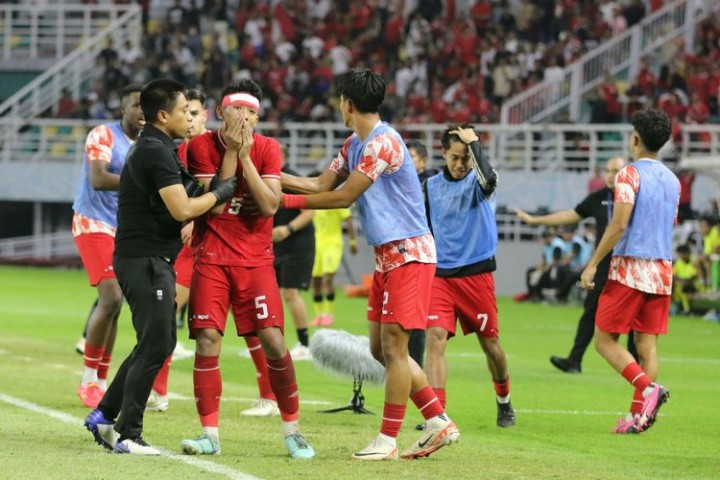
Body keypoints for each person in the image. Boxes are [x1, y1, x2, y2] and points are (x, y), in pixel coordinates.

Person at [281, 68, 459, 461]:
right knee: (381, 350)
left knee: (394, 348)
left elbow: (343, 197)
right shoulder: (354, 143)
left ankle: (388, 439)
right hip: (386, 257)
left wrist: (282, 201)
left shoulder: (383, 143)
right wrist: (268, 178)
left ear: (347, 103)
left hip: (409, 253)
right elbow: (318, 185)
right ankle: (437, 421)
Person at [83, 78, 238, 454]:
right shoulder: (154, 151)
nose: (191, 117)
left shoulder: (158, 148)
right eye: (185, 110)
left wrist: (229, 156)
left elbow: (198, 196)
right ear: (164, 115)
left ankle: (104, 415)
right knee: (158, 343)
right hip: (145, 259)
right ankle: (128, 434)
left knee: (156, 341)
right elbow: (185, 209)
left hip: (148, 258)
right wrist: (222, 190)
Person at [180, 79, 315, 459]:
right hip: (212, 260)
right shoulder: (200, 147)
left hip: (255, 261)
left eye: (253, 112)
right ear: (221, 112)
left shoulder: (269, 148)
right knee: (207, 341)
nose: (246, 117)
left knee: (273, 340)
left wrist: (245, 159)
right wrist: (232, 155)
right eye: (239, 109)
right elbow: (218, 205)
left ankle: (293, 431)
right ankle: (210, 435)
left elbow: (271, 205)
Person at [579, 108, 679, 434]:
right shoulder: (673, 181)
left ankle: (649, 389)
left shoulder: (629, 174)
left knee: (604, 341)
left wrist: (593, 263)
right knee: (646, 345)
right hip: (663, 267)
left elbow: (619, 224)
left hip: (632, 266)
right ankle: (638, 418)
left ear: (634, 138)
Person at [423, 124, 516, 429]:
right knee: (434, 340)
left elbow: (488, 177)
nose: (461, 164)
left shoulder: (479, 182)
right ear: (443, 154)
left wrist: (475, 143)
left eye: (466, 158)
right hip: (441, 276)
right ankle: (437, 416)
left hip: (477, 276)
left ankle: (504, 401)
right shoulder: (430, 187)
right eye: (455, 157)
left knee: (491, 348)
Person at [515, 156, 639, 373]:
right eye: (608, 171)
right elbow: (569, 215)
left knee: (634, 317)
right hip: (603, 265)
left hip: (631, 265)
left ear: (626, 172)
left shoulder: (636, 197)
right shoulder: (598, 198)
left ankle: (636, 370)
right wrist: (536, 220)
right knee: (590, 311)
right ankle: (574, 360)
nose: (611, 176)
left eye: (616, 171)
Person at [72, 83, 144, 408]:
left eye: (147, 105)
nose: (141, 111)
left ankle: (101, 379)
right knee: (111, 295)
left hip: (123, 228)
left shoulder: (148, 144)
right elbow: (99, 178)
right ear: (123, 109)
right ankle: (88, 379)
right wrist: (144, 178)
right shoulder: (103, 134)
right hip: (92, 222)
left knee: (116, 305)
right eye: (135, 105)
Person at [147, 88, 209, 413]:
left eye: (195, 113)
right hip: (186, 250)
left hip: (219, 246)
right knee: (166, 314)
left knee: (255, 329)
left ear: (206, 117)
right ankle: (158, 391)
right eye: (186, 112)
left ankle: (270, 398)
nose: (189, 119)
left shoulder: (217, 148)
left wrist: (194, 219)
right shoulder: (177, 152)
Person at [273, 144, 316, 360]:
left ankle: (305, 343)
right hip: (275, 246)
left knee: (291, 293)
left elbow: (309, 212)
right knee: (270, 295)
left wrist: (287, 229)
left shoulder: (293, 179)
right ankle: (274, 343)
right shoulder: (268, 179)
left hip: (298, 245)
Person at [405, 139, 437, 368]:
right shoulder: (402, 182)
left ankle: (416, 366)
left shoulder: (432, 182)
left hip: (425, 253)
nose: (406, 161)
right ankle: (408, 364)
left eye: (412, 157)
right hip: (403, 252)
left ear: (424, 161)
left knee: (417, 312)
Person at [310, 206, 357, 327]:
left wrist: (352, 241)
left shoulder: (334, 201)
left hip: (333, 244)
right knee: (316, 281)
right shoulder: (315, 202)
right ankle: (319, 314)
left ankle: (329, 314)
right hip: (317, 245)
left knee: (328, 279)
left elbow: (349, 218)